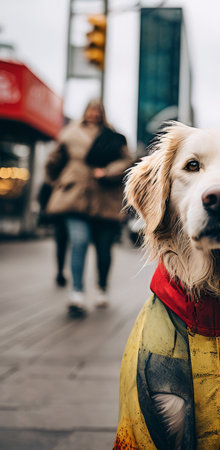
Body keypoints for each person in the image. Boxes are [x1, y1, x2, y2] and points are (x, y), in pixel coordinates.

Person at [45, 99, 132, 315]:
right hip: (75, 196)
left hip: (104, 200)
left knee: (104, 249)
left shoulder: (114, 137)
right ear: (85, 111)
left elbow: (128, 161)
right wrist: (57, 180)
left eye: (97, 110)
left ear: (102, 113)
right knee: (79, 241)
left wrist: (108, 171)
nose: (93, 114)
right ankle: (77, 293)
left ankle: (102, 286)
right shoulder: (70, 132)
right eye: (90, 110)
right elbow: (54, 159)